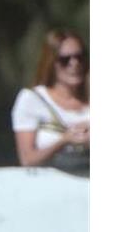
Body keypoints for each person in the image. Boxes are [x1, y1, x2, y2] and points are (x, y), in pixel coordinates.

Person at [11, 29, 89, 175]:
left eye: (80, 57)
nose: (75, 64)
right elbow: (27, 159)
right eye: (65, 60)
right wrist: (64, 141)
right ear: (52, 63)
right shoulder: (32, 99)